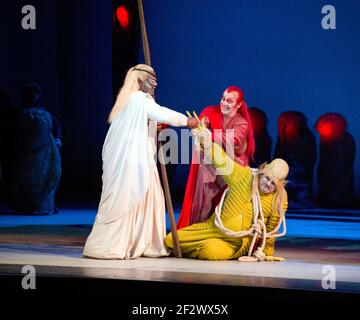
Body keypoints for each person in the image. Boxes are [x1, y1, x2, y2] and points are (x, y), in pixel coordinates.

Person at [83, 64, 197, 259]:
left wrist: (153, 125)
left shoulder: (129, 101)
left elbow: (143, 123)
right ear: (139, 81)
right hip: (133, 162)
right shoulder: (139, 98)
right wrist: (186, 121)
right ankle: (115, 244)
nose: (155, 85)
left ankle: (139, 241)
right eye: (151, 81)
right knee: (129, 196)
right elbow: (160, 112)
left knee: (147, 195)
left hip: (134, 160)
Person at [166, 127, 289, 261]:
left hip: (236, 243)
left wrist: (267, 253)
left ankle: (200, 249)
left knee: (209, 251)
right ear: (262, 172)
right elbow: (223, 161)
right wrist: (207, 143)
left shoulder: (280, 198)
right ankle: (196, 248)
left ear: (280, 185)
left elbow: (271, 229)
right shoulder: (243, 176)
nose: (268, 184)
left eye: (273, 183)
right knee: (169, 240)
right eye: (267, 178)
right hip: (212, 229)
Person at [177, 86, 255, 229]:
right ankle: (196, 233)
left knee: (226, 208)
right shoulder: (210, 112)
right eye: (223, 99)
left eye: (229, 101)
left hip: (231, 172)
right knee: (203, 205)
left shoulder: (241, 122)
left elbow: (235, 140)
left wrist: (210, 135)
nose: (224, 103)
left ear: (238, 105)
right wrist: (199, 129)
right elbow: (201, 127)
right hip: (210, 169)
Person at [9, 83, 61, 214]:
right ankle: (25, 205)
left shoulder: (44, 112)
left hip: (44, 152)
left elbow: (56, 125)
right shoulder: (19, 113)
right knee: (26, 179)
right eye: (30, 93)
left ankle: (43, 205)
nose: (33, 96)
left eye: (35, 93)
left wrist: (57, 139)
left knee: (44, 177)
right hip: (25, 153)